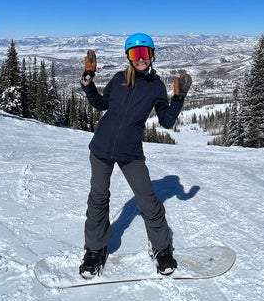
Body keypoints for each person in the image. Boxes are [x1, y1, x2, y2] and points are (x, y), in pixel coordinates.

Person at [78, 33, 192, 279]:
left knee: (147, 200)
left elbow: (167, 121)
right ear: (128, 57)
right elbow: (100, 104)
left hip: (130, 152)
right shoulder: (119, 78)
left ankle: (161, 248)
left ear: (152, 55)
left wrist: (179, 98)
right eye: (134, 54)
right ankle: (95, 249)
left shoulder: (156, 86)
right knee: (98, 198)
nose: (140, 59)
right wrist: (88, 82)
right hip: (100, 149)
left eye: (144, 54)